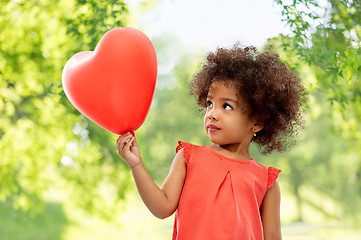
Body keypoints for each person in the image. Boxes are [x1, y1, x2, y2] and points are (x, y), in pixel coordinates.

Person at [116, 44, 306, 240]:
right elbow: (162, 207)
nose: (212, 114)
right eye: (209, 103)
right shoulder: (188, 158)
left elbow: (273, 237)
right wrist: (136, 165)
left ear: (257, 121)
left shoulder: (267, 184)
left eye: (226, 106)